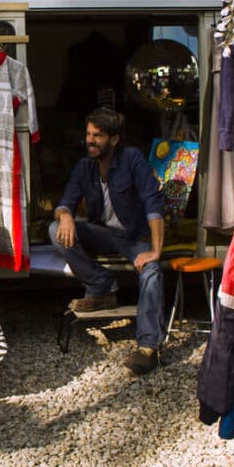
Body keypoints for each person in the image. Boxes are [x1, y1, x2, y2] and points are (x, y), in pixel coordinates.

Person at [49, 107, 166, 376]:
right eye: (88, 134)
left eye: (97, 135)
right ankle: (102, 287)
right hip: (102, 234)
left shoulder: (131, 159)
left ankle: (148, 348)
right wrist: (66, 215)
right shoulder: (84, 166)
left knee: (152, 272)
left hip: (134, 237)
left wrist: (156, 251)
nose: (90, 140)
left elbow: (153, 202)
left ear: (114, 139)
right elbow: (64, 202)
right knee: (56, 228)